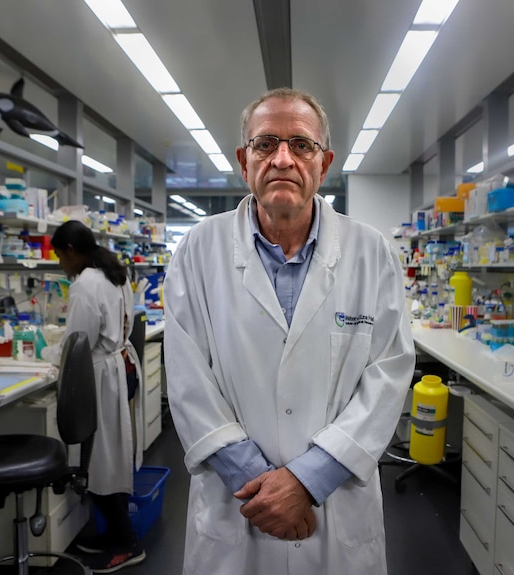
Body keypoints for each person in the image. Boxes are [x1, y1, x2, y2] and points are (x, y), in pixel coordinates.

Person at [164, 88, 415, 575]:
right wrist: (261, 484)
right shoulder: (199, 249)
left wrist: (306, 482)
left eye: (301, 145)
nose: (283, 158)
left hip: (334, 507)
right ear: (244, 160)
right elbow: (188, 379)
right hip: (238, 504)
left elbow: (388, 375)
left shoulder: (371, 252)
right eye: (265, 144)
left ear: (325, 164)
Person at [44, 220, 146, 573]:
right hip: (120, 367)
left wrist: (52, 361)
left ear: (72, 251)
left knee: (101, 462)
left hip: (103, 375)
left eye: (59, 256)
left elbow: (78, 342)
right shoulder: (112, 272)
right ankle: (113, 535)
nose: (60, 264)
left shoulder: (86, 283)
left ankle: (126, 542)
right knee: (108, 457)